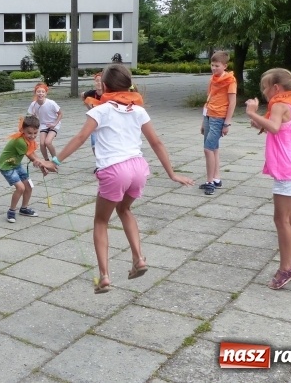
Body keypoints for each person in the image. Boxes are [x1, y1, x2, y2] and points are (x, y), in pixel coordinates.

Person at [43, 64, 193, 294]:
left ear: (103, 87)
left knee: (101, 221)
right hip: (138, 168)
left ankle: (104, 275)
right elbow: (156, 142)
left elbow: (81, 137)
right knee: (125, 211)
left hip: (115, 170)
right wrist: (172, 174)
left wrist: (56, 161)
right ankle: (138, 258)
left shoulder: (100, 111)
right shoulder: (139, 110)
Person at [245, 68, 291, 290]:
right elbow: (274, 128)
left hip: (287, 170)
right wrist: (256, 119)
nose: (263, 92)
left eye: (264, 87)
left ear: (275, 88)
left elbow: (272, 126)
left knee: (281, 220)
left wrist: (252, 112)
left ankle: (286, 268)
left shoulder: (279, 104)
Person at [199, 51, 237, 195]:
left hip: (219, 118)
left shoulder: (230, 81)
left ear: (225, 66)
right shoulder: (212, 79)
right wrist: (203, 121)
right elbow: (208, 98)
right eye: (212, 65)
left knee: (208, 149)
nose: (214, 68)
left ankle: (209, 182)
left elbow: (232, 102)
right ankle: (216, 179)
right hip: (209, 115)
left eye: (217, 66)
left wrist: (227, 123)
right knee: (213, 148)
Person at [0, 116, 47, 223]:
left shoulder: (28, 140)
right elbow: (30, 155)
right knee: (21, 188)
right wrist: (43, 164)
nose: (33, 136)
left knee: (28, 186)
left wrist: (41, 164)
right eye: (29, 133)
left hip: (16, 164)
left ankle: (24, 209)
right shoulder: (20, 141)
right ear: (22, 130)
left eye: (35, 133)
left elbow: (33, 153)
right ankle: (11, 211)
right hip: (6, 166)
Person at [27, 83, 62, 162]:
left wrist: (54, 124)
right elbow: (30, 116)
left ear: (46, 93)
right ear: (35, 93)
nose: (40, 94)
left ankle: (55, 159)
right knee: (42, 144)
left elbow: (60, 114)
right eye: (38, 91)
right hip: (43, 124)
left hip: (54, 123)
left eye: (43, 92)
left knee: (48, 142)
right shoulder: (33, 104)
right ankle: (46, 160)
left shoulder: (51, 103)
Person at [81, 72, 104, 154]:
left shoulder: (107, 94)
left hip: (105, 120)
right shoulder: (91, 93)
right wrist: (89, 108)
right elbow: (82, 95)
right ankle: (98, 162)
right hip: (95, 120)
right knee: (94, 143)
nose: (99, 83)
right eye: (97, 81)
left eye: (101, 81)